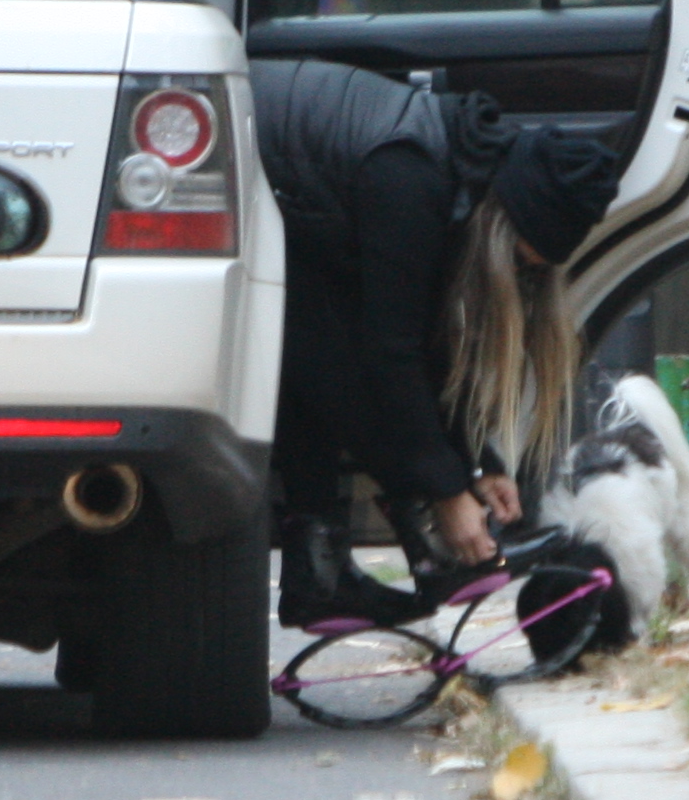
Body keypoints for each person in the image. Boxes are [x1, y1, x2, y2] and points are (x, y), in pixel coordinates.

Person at [251, 57, 625, 629]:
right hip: (220, 157)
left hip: (290, 207)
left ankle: (320, 571)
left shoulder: (465, 173)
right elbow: (393, 353)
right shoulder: (411, 179)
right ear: (505, 226)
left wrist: (477, 464)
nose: (523, 282)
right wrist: (447, 491)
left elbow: (425, 345)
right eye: (524, 264)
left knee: (327, 343)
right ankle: (396, 551)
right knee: (329, 355)